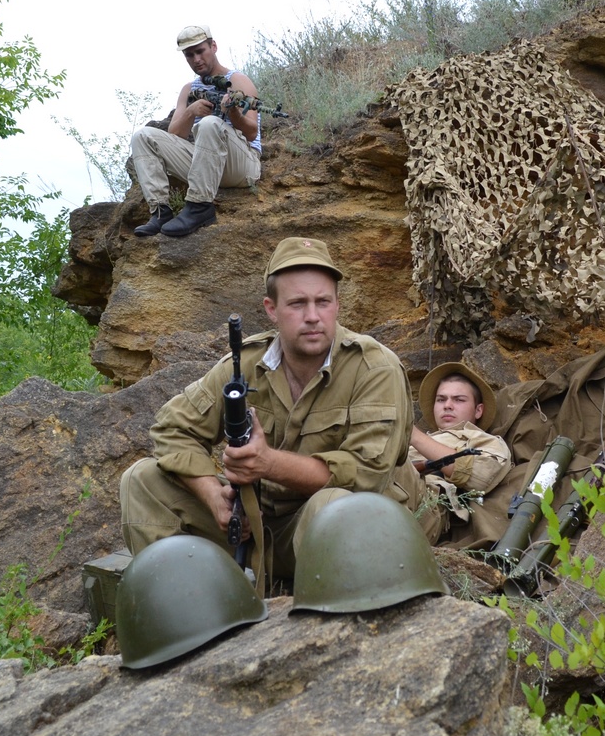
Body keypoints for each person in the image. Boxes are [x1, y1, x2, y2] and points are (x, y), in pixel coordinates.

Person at [118, 236, 414, 584]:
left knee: (334, 505)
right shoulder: (245, 364)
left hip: (330, 532)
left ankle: (325, 612)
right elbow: (172, 429)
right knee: (141, 480)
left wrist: (268, 463)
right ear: (271, 309)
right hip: (250, 528)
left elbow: (368, 476)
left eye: (323, 302)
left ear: (337, 304)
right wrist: (214, 497)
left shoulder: (374, 368)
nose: (313, 317)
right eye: (297, 304)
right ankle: (188, 603)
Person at [129, 25, 262, 238]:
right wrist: (191, 111)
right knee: (142, 136)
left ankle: (199, 207)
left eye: (200, 51)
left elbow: (252, 134)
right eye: (189, 55)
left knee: (210, 124)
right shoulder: (189, 89)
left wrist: (233, 112)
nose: (196, 59)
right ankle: (160, 212)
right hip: (206, 166)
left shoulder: (237, 80)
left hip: (242, 166)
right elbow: (175, 135)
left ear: (213, 46)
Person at [404, 362, 512, 544]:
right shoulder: (415, 440)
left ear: (478, 410)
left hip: (424, 508)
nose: (447, 405)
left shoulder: (484, 441)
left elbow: (481, 477)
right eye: (441, 399)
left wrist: (413, 435)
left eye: (459, 400)